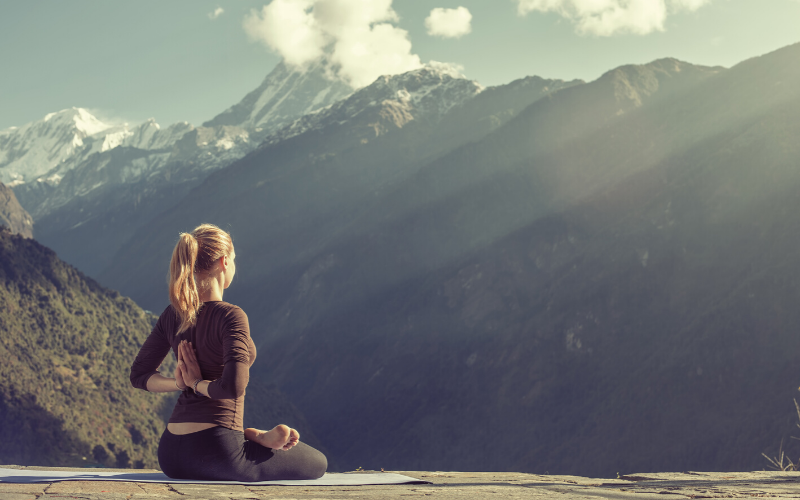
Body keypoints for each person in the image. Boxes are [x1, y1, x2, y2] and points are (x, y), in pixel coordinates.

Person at [129, 223, 327, 481]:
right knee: (318, 463)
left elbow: (139, 376)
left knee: (249, 445)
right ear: (224, 262)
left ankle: (254, 436)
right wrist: (195, 383)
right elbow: (233, 387)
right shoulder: (231, 316)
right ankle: (253, 438)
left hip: (170, 454)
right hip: (217, 450)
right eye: (234, 259)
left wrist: (179, 384)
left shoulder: (172, 315)